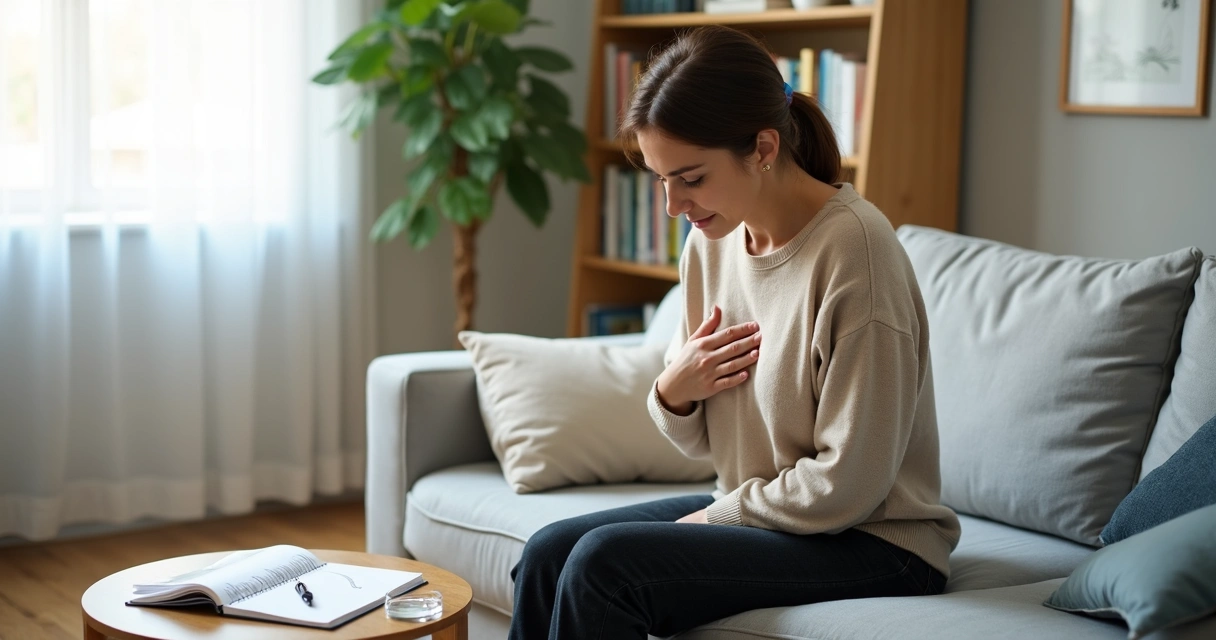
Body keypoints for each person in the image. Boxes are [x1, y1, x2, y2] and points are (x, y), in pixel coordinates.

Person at [508, 25, 961, 640]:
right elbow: (703, 444)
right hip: (776, 513)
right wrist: (675, 389)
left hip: (876, 541)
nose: (672, 206)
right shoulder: (710, 245)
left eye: (690, 179)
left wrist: (722, 516)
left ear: (764, 147)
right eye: (660, 179)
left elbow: (849, 484)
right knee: (549, 552)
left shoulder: (857, 252)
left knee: (603, 567)